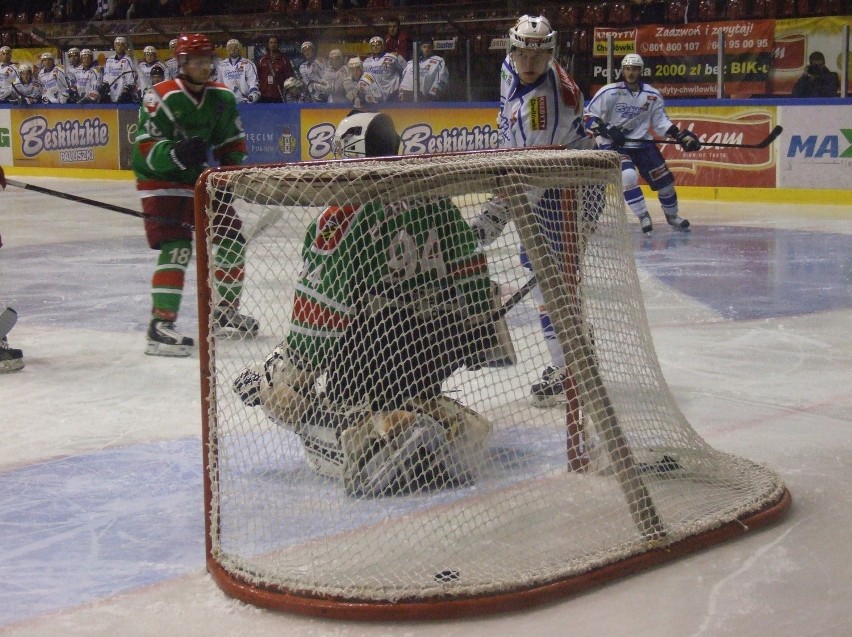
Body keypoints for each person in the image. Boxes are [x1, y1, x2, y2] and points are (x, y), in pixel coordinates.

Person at [232, 111, 512, 497]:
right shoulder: (436, 201)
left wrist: (272, 384)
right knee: (411, 392)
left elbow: (316, 324)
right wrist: (481, 335)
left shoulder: (342, 218)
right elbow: (475, 279)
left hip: (372, 347)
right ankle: (448, 426)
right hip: (436, 346)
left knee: (281, 390)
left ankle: (376, 446)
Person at [471, 15, 593, 406]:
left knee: (552, 282)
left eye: (537, 59)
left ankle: (569, 367)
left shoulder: (544, 107)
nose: (528, 64)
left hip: (568, 189)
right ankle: (575, 353)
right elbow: (506, 120)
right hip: (551, 180)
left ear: (550, 55)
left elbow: (532, 182)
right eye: (522, 54)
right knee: (548, 278)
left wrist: (491, 218)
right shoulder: (510, 69)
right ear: (512, 50)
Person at [132, 33, 256, 357]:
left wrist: (226, 179)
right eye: (198, 60)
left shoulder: (222, 98)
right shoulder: (159, 97)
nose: (205, 66)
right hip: (159, 179)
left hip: (200, 179)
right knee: (177, 247)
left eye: (208, 60)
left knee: (231, 238)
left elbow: (232, 144)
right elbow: (144, 149)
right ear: (182, 63)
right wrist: (176, 153)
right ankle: (159, 326)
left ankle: (226, 310)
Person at [584, 53, 698, 235]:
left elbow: (661, 122)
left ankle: (672, 216)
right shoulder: (609, 92)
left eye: (635, 69)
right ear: (622, 70)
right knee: (628, 176)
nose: (631, 72)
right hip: (614, 146)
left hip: (642, 144)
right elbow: (589, 116)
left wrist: (680, 136)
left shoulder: (652, 95)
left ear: (641, 70)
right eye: (628, 68)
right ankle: (643, 215)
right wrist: (606, 129)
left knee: (666, 184)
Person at [399, 38, 448, 102]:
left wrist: (433, 93)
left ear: (432, 48)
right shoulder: (412, 62)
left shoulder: (439, 60)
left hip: (426, 97)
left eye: (429, 47)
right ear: (421, 48)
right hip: (408, 95)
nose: (426, 49)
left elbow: (442, 77)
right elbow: (404, 77)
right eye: (424, 47)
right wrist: (401, 92)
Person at [362, 36, 405, 104]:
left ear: (383, 46)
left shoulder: (392, 57)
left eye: (378, 44)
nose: (375, 47)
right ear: (370, 47)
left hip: (392, 97)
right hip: (375, 98)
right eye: (373, 45)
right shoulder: (366, 62)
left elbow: (405, 71)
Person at [217, 38, 260, 104]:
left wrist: (253, 93)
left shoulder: (247, 63)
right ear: (227, 49)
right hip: (227, 102)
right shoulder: (222, 65)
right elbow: (219, 84)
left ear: (239, 49)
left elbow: (253, 82)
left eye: (235, 47)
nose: (233, 50)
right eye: (230, 48)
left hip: (244, 101)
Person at [256, 36, 294, 103]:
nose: (273, 44)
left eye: (275, 42)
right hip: (264, 95)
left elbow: (289, 77)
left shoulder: (284, 60)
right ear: (268, 45)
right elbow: (256, 77)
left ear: (278, 44)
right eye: (271, 43)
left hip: (279, 96)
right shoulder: (262, 60)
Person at [101, 36, 138, 103]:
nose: (120, 47)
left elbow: (130, 80)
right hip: (111, 93)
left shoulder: (128, 60)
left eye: (122, 45)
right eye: (118, 45)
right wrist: (105, 85)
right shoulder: (109, 60)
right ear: (114, 46)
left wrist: (126, 90)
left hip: (122, 93)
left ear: (125, 47)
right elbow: (106, 77)